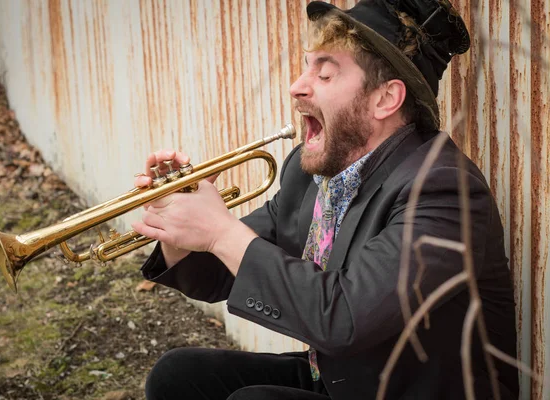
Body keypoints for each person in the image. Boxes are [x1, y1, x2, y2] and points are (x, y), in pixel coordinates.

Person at [131, 1, 518, 399]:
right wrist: (179, 232)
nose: (297, 85)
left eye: (326, 73)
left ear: (385, 99)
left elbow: (344, 318)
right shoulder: (312, 172)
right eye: (305, 66)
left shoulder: (443, 190)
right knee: (178, 374)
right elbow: (219, 274)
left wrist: (219, 230)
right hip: (346, 378)